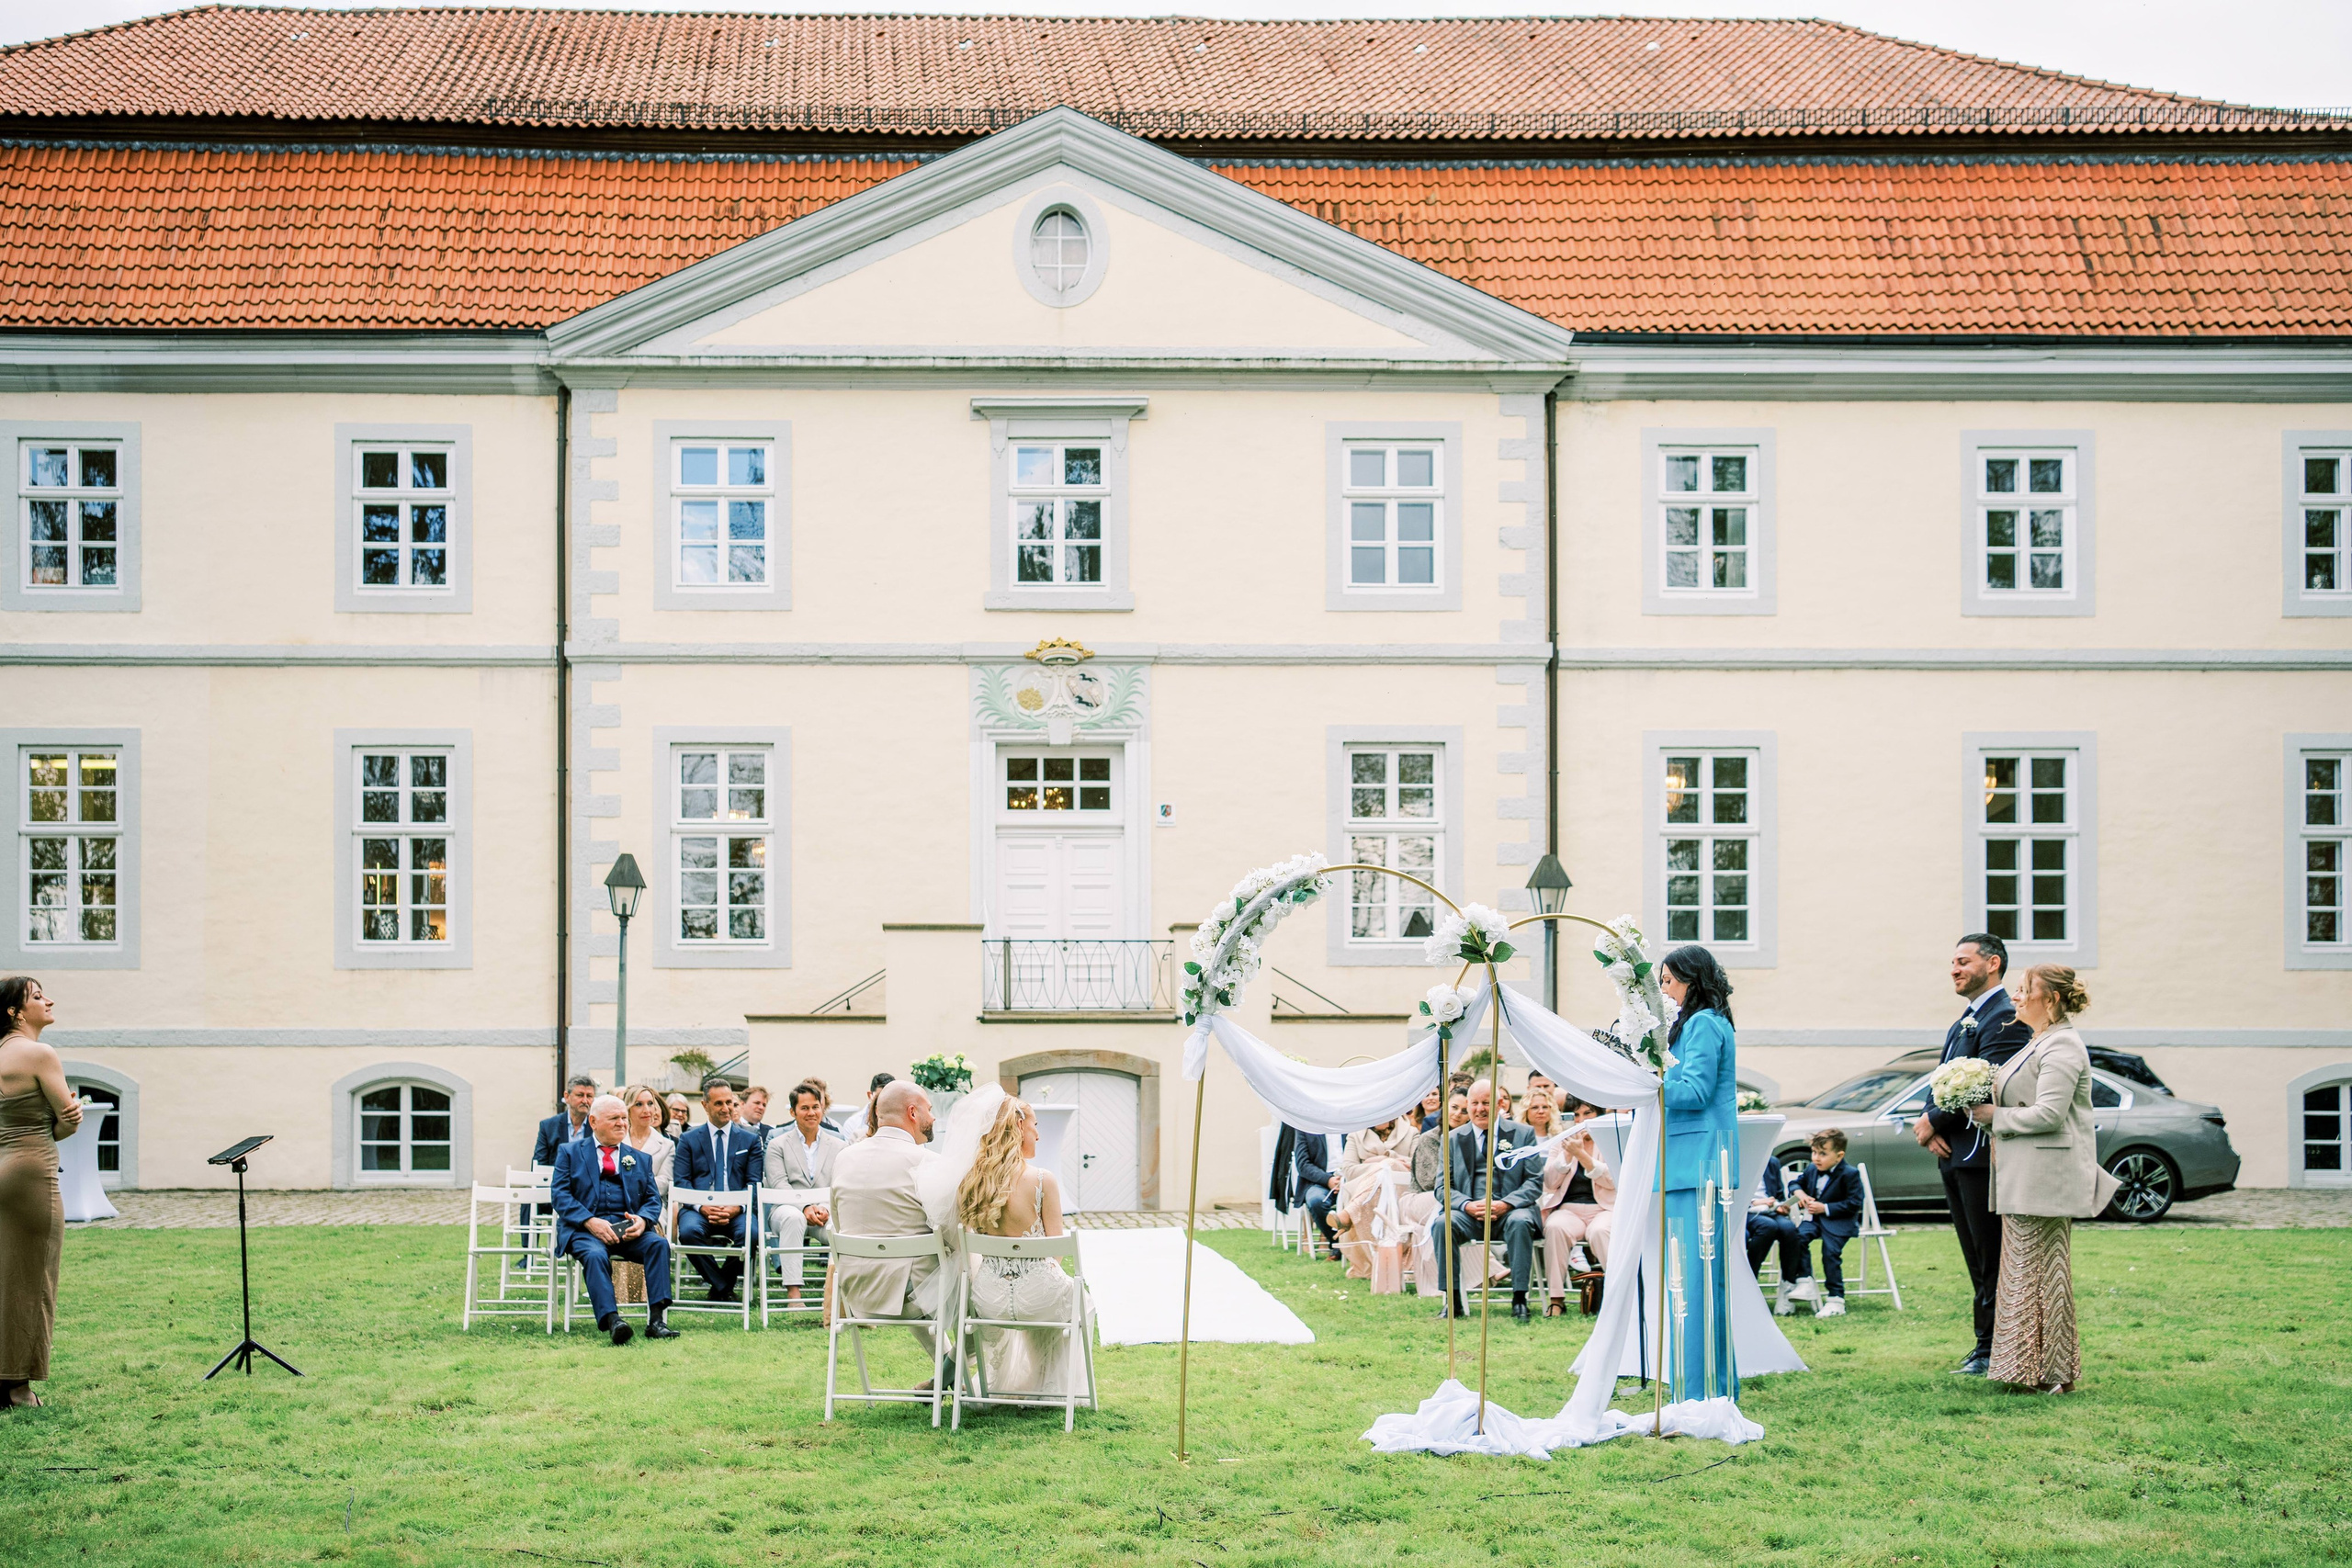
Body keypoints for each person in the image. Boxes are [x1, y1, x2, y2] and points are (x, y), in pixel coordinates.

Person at [1970, 965, 2111, 1394]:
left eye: (2023, 989)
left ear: (2048, 999)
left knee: (2042, 1273)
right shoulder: (2039, 1041)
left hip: (2047, 1177)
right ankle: (2034, 1371)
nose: (2016, 996)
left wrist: (1997, 1117)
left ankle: (2050, 1373)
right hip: (2024, 1174)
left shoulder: (2063, 1045)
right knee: (2026, 1272)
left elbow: (2049, 1114)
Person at [1915, 932, 2035, 1377]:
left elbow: (1986, 1083)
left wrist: (1933, 1122)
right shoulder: (1966, 1019)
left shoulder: (2004, 1019)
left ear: (1993, 964)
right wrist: (1929, 1126)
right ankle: (1984, 1345)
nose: (1954, 969)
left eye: (1964, 961)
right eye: (1952, 962)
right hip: (1955, 1154)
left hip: (1983, 1156)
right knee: (1974, 1255)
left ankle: (1993, 1349)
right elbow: (1945, 1080)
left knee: (1991, 1255)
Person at [955, 1094, 1091, 1397]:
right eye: (1035, 1125)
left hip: (988, 1302)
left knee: (1040, 1292)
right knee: (1073, 1296)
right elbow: (1055, 1250)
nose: (1038, 1135)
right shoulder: (1043, 1179)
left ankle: (1032, 1383)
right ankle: (1052, 1387)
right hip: (1038, 1299)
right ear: (1019, 1125)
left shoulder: (971, 1181)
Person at [1658, 944, 1740, 1398]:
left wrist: (1646, 1076)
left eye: (1669, 981)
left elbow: (1694, 1090)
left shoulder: (1705, 1023)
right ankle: (1698, 1388)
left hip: (1700, 1163)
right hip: (1686, 1163)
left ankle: (1700, 1392)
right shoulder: (1693, 1023)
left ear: (1692, 980)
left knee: (1696, 1283)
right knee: (1686, 1283)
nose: (1665, 990)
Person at [0, 977, 84, 1409]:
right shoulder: (38, 1054)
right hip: (32, 1172)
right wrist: (75, 1114)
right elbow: (64, 1123)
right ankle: (16, 1389)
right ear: (16, 1012)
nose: (48, 1000)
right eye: (36, 997)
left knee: (3, 1275)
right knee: (33, 1278)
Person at [550, 1094, 681, 1345]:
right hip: (584, 1231)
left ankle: (656, 1321)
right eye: (614, 1119)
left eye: (623, 1118)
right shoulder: (569, 1153)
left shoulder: (640, 1158)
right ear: (593, 1122)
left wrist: (643, 1221)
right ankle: (613, 1321)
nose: (622, 1123)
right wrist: (590, 1221)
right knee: (595, 1254)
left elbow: (653, 1199)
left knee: (658, 1244)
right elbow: (560, 1195)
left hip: (627, 1231)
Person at [831, 1081, 944, 1361]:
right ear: (913, 1113)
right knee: (986, 1290)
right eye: (929, 1110)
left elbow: (838, 1221)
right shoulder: (926, 1161)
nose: (933, 1118)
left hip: (856, 1293)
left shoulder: (844, 1157)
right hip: (910, 1296)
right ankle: (954, 1372)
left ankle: (944, 1374)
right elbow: (949, 1233)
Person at [1426, 1079, 1538, 1321]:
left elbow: (1534, 1182)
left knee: (1520, 1222)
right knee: (1442, 1223)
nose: (1480, 1109)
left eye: (1486, 1103)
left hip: (1510, 1211)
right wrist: (1466, 1204)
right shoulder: (1453, 1138)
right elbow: (1443, 1186)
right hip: (1469, 1213)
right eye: (1474, 1103)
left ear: (1499, 1105)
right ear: (1467, 1104)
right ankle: (1453, 1300)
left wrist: (1506, 1203)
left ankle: (1520, 1298)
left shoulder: (1523, 1134)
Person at [672, 1082, 757, 1301]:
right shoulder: (689, 1139)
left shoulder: (750, 1139)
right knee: (688, 1233)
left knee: (752, 1234)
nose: (725, 1108)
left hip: (737, 1209)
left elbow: (754, 1183)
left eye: (729, 1102)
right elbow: (682, 1181)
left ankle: (720, 1285)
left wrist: (737, 1207)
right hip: (699, 1208)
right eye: (718, 1103)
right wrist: (702, 1207)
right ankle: (723, 1286)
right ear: (705, 1105)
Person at [763, 1081, 842, 1308]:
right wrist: (805, 1207)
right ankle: (794, 1294)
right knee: (793, 1218)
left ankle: (837, 1296)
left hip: (824, 1211)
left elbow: (839, 1184)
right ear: (793, 1111)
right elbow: (779, 1183)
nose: (811, 1113)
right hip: (786, 1208)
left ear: (822, 1108)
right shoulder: (777, 1145)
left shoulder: (838, 1145)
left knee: (842, 1226)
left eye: (815, 1107)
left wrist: (825, 1207)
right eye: (804, 1108)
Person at [1536, 1092, 1617, 1315]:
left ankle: (1617, 1295)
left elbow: (1612, 1181)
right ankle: (1556, 1299)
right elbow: (1550, 1182)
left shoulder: (1610, 1140)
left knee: (1600, 1231)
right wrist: (1568, 1155)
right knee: (1555, 1227)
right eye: (1577, 1115)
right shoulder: (1561, 1142)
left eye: (1588, 1113)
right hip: (1569, 1209)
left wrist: (1583, 1155)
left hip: (1604, 1207)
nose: (1582, 1120)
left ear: (1599, 1114)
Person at [1770, 1129, 1863, 1317]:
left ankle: (1836, 1300)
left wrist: (1826, 1208)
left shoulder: (1850, 1174)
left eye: (1823, 1153)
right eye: (1814, 1152)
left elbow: (1854, 1203)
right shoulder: (1812, 1169)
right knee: (1797, 1237)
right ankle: (1805, 1281)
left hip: (1839, 1222)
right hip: (1813, 1221)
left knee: (1830, 1253)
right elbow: (1795, 1184)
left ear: (1839, 1156)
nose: (1816, 1158)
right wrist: (1800, 1194)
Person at [1330, 1117, 1429, 1294]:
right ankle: (1381, 1263)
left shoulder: (1411, 1132)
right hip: (1367, 1192)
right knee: (1384, 1169)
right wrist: (1384, 1167)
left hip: (1401, 1190)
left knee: (1388, 1165)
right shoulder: (1355, 1135)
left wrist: (1386, 1160)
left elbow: (1417, 1165)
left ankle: (1349, 1214)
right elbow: (1349, 1170)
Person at [620, 1085, 676, 1201]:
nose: (647, 1110)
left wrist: (632, 1186)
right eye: (639, 1104)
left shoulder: (667, 1145)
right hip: (618, 1203)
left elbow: (664, 1183)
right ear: (628, 1109)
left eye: (650, 1103)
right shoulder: (616, 1140)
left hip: (652, 1203)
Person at [1292, 1129, 1339, 1258]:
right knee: (1316, 1201)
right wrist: (1327, 1180)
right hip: (1320, 1181)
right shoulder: (1306, 1126)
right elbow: (1303, 1164)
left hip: (1351, 1179)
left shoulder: (1351, 1122)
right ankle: (1337, 1244)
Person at [533, 1074, 598, 1166]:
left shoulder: (598, 1127)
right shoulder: (548, 1127)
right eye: (580, 1095)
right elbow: (538, 1164)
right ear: (567, 1096)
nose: (585, 1101)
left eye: (589, 1096)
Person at [843, 1071, 896, 1145]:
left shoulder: (901, 1122)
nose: (884, 1102)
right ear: (869, 1095)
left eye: (889, 1098)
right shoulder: (853, 1123)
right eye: (879, 1097)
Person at [736, 1087, 772, 1161]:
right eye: (757, 1103)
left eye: (764, 1105)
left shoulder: (771, 1133)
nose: (761, 1107)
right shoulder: (732, 1129)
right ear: (742, 1104)